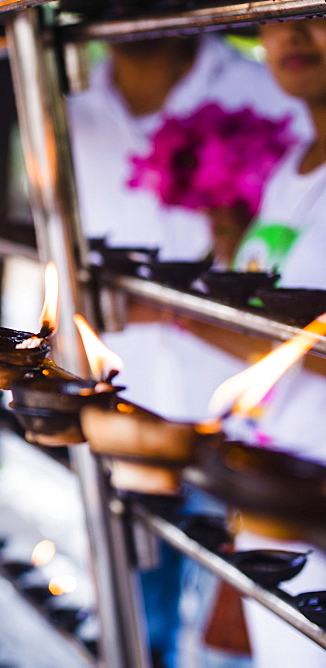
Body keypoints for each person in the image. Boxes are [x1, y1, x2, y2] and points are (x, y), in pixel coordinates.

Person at [67, 35, 310, 667]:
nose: (297, 36)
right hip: (146, 408)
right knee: (137, 610)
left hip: (254, 443)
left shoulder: (266, 92)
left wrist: (167, 310)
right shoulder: (69, 103)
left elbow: (286, 335)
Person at [228, 18, 326, 665]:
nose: (292, 35)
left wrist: (181, 318)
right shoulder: (294, 163)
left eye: (316, 13)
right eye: (275, 18)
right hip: (278, 486)